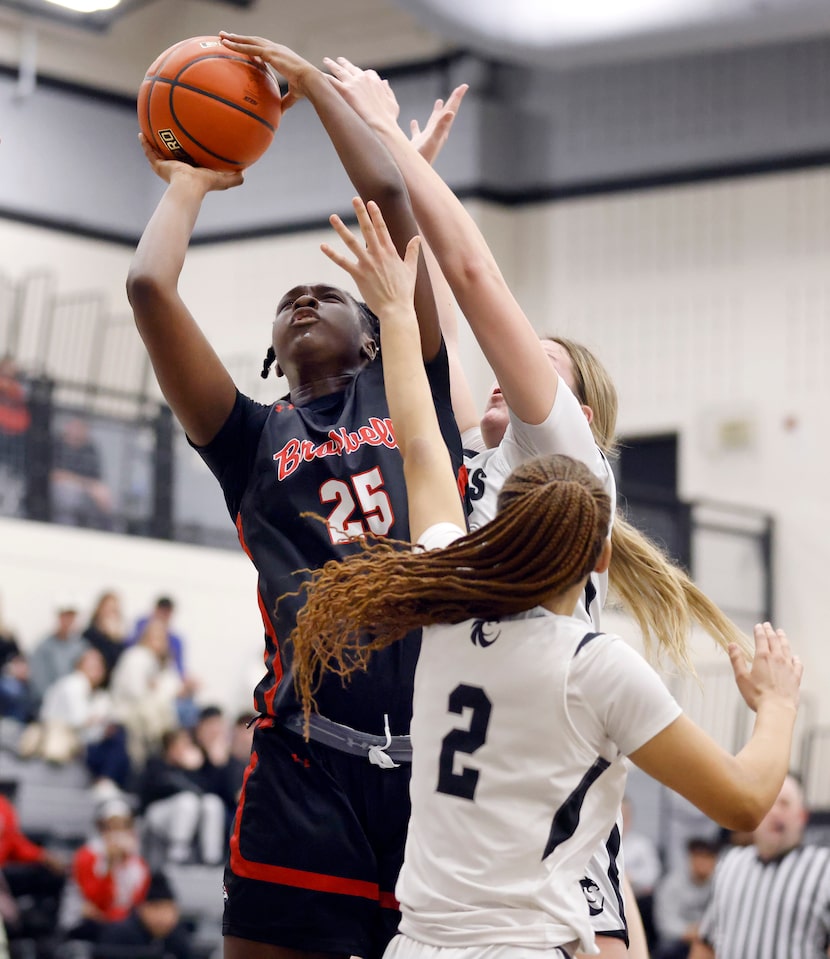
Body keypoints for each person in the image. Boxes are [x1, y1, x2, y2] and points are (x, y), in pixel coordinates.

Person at [290, 194, 803, 958]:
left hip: (420, 941)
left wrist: (397, 313)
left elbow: (419, 447)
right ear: (598, 553)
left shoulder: (443, 598)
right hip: (522, 934)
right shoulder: (597, 666)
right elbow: (744, 797)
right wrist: (778, 704)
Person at [126, 33, 464, 959]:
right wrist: (191, 179)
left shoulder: (408, 386)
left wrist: (313, 87)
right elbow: (149, 285)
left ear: (372, 324)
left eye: (327, 292)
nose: (305, 298)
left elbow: (393, 201)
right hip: (304, 764)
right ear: (274, 354)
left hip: (438, 765)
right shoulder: (249, 437)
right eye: (288, 301)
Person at [690, 774, 830, 959]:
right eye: (769, 803)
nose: (774, 812)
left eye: (784, 803)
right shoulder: (731, 863)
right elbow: (707, 942)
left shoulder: (822, 868)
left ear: (801, 817)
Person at [61, 797, 150, 944]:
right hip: (85, 921)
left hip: (121, 921)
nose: (117, 832)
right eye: (111, 826)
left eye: (123, 826)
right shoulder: (86, 855)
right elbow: (95, 900)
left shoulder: (137, 862)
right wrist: (110, 864)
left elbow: (138, 900)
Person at [96, 870, 193, 959]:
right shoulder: (119, 935)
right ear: (141, 908)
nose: (163, 917)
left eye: (169, 909)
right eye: (156, 908)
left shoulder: (177, 937)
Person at [653, 837, 719, 959]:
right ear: (690, 858)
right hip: (679, 941)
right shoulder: (671, 883)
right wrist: (689, 932)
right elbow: (665, 924)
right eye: (698, 856)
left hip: (710, 939)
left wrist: (704, 933)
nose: (702, 863)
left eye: (707, 857)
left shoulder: (721, 885)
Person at [26, 597, 89, 713]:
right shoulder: (44, 647)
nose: (68, 621)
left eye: (71, 617)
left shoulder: (82, 646)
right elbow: (39, 683)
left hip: (77, 706)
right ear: (58, 617)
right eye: (65, 616)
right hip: (49, 707)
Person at [51, 416, 113, 531]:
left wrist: (94, 489)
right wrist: (84, 484)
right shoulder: (58, 445)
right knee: (68, 493)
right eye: (75, 427)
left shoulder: (90, 449)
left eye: (81, 428)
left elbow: (96, 480)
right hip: (63, 490)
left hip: (86, 491)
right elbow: (57, 475)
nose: (77, 431)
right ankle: (65, 533)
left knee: (104, 495)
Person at [82, 591, 127, 687]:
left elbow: (120, 665)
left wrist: (115, 639)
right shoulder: (90, 634)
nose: (110, 613)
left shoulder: (119, 640)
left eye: (114, 610)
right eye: (108, 608)